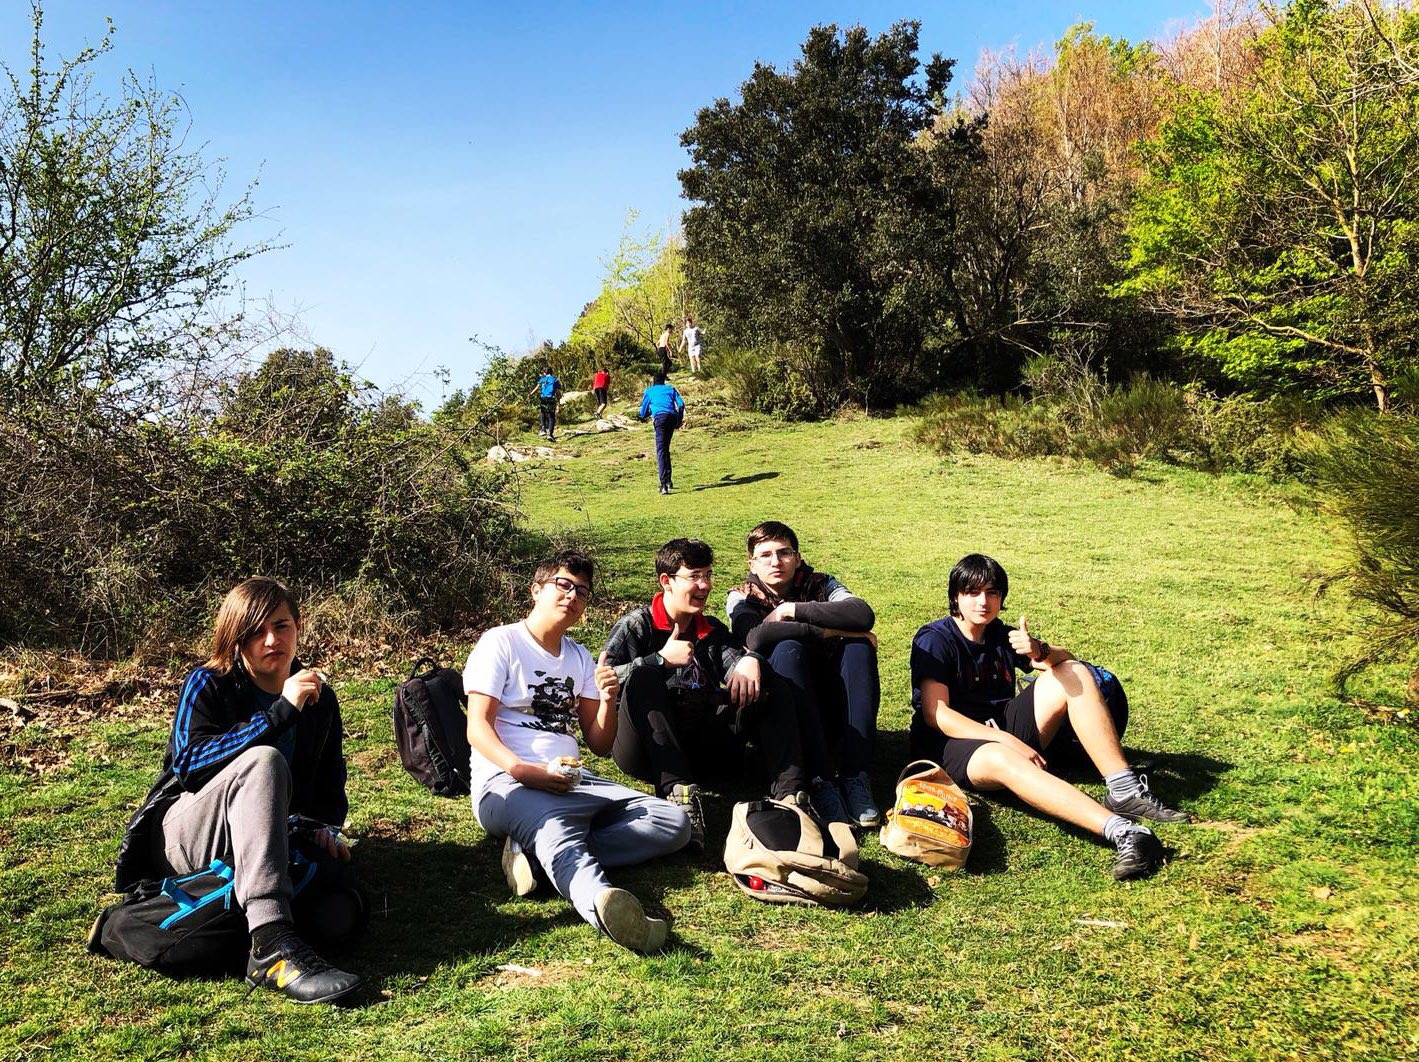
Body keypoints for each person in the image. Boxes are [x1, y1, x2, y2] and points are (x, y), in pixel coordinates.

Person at [111, 578, 363, 1004]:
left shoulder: (319, 697)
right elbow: (188, 766)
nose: (271, 641)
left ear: (298, 627)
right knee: (263, 761)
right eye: (255, 632)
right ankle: (270, 943)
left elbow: (327, 787)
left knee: (339, 915)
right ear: (235, 637)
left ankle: (246, 926)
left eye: (281, 626)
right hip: (186, 835)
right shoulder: (208, 682)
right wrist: (280, 713)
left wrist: (320, 828)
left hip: (266, 838)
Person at [909, 554, 1191, 881]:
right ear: (956, 596)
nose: (983, 602)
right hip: (952, 743)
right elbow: (937, 715)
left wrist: (1038, 649)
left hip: (1002, 724)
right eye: (972, 593)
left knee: (1072, 671)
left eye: (992, 593)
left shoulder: (999, 633)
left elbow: (1069, 662)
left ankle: (1124, 789)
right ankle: (1126, 832)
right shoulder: (936, 638)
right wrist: (1007, 740)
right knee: (1001, 756)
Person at [464, 549, 690, 953]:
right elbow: (477, 728)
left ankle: (535, 858)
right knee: (555, 829)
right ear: (536, 590)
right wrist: (521, 770)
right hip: (507, 783)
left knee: (672, 822)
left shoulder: (579, 656)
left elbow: (599, 744)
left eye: (582, 591)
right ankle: (604, 904)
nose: (572, 596)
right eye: (563, 585)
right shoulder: (501, 642)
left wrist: (608, 699)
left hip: (574, 780)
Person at [604, 538, 821, 853]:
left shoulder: (710, 629)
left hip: (703, 744)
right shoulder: (637, 625)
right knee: (644, 676)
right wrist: (659, 661)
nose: (704, 585)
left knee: (771, 684)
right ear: (666, 581)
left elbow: (737, 668)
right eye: (694, 576)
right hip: (645, 751)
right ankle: (678, 796)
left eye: (708, 574)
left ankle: (790, 797)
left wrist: (751, 660)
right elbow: (600, 682)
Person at [727, 521, 882, 829]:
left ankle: (856, 776)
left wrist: (791, 610)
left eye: (784, 553)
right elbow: (756, 636)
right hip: (783, 713)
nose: (776, 562)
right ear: (752, 564)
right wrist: (829, 631)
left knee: (858, 648)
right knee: (788, 648)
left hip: (831, 700)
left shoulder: (822, 583)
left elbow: (862, 614)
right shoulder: (741, 596)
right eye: (765, 555)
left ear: (797, 558)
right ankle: (819, 779)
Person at [638, 371, 685, 495]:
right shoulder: (671, 389)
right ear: (664, 381)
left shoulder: (649, 391)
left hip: (660, 419)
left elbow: (643, 413)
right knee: (666, 448)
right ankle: (668, 480)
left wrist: (648, 413)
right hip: (672, 418)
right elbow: (681, 405)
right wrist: (679, 419)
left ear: (653, 381)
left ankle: (663, 484)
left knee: (661, 450)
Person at [533, 366, 562, 441]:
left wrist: (531, 393)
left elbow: (537, 387)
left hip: (543, 398)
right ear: (552, 372)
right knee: (551, 416)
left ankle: (543, 429)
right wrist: (558, 403)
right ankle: (550, 434)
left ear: (545, 373)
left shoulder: (542, 379)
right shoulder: (555, 380)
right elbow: (558, 392)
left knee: (543, 412)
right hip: (551, 398)